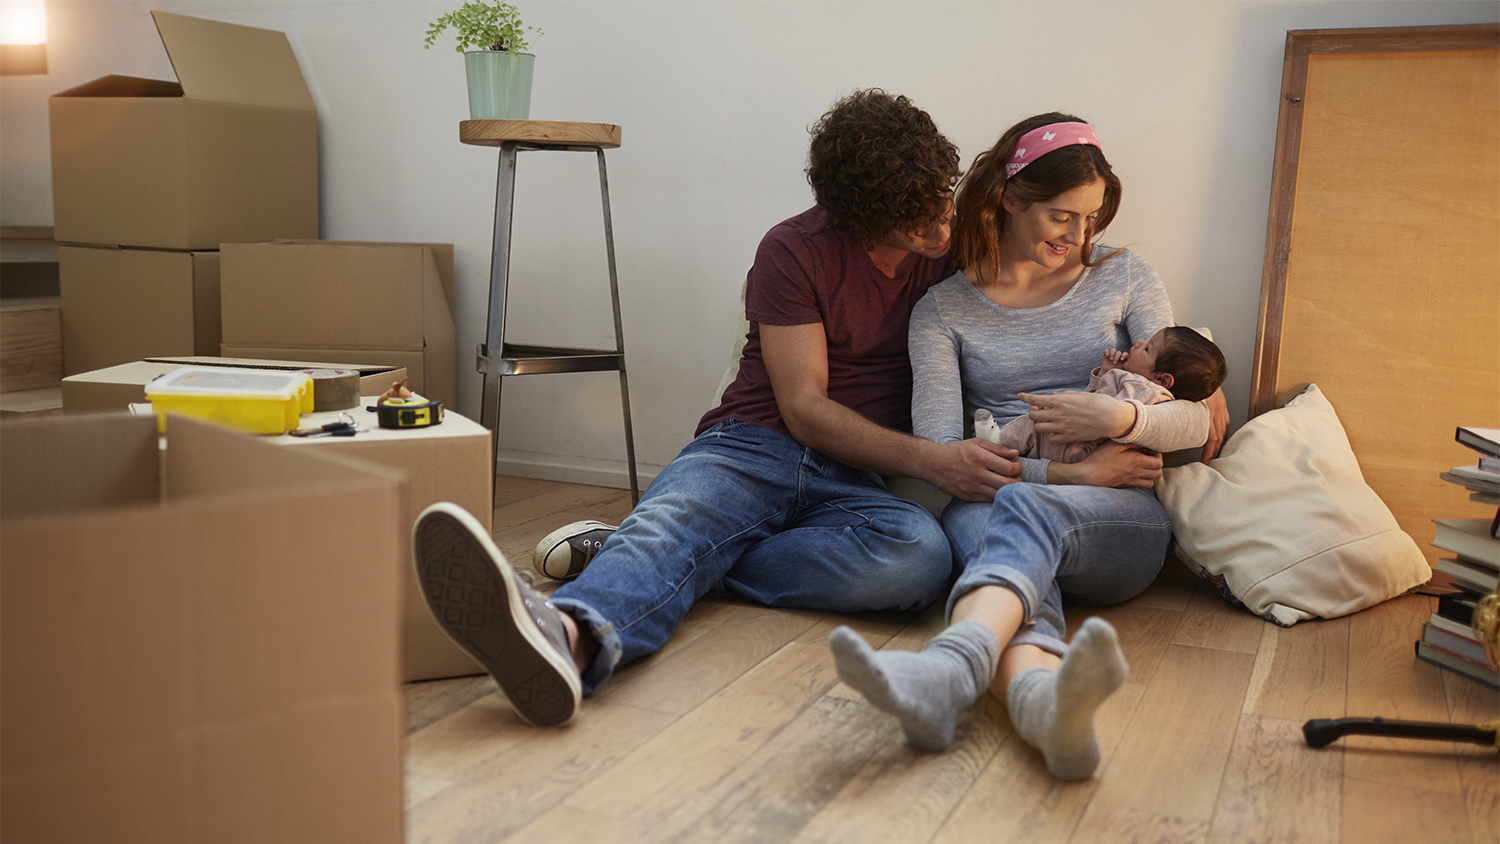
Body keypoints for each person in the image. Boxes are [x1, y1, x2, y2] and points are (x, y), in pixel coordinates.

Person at [411, 89, 1019, 728]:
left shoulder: (951, 254)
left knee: (918, 560)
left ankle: (675, 557)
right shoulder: (794, 250)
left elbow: (1042, 246)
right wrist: (936, 461)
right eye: (911, 213)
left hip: (856, 480)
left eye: (943, 193)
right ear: (859, 214)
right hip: (753, 445)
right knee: (679, 520)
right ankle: (566, 638)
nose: (939, 222)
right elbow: (805, 410)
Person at [828, 113, 1230, 780]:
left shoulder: (1126, 276)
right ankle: (1041, 703)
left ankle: (951, 669)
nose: (1079, 236)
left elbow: (1193, 422)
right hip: (1006, 495)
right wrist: (1076, 473)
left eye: (1092, 218)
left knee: (1019, 515)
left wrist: (1115, 419)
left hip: (1118, 522)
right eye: (1061, 216)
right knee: (1013, 520)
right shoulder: (941, 311)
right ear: (1010, 198)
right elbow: (944, 455)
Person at [975, 325, 1227, 464]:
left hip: (1080, 447)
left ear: (1163, 379)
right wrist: (1107, 372)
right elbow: (1096, 398)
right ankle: (998, 444)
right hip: (1079, 446)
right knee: (1034, 430)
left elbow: (1101, 415)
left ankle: (996, 441)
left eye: (1148, 348)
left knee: (1033, 425)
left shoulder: (1148, 391)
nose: (1138, 342)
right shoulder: (1133, 379)